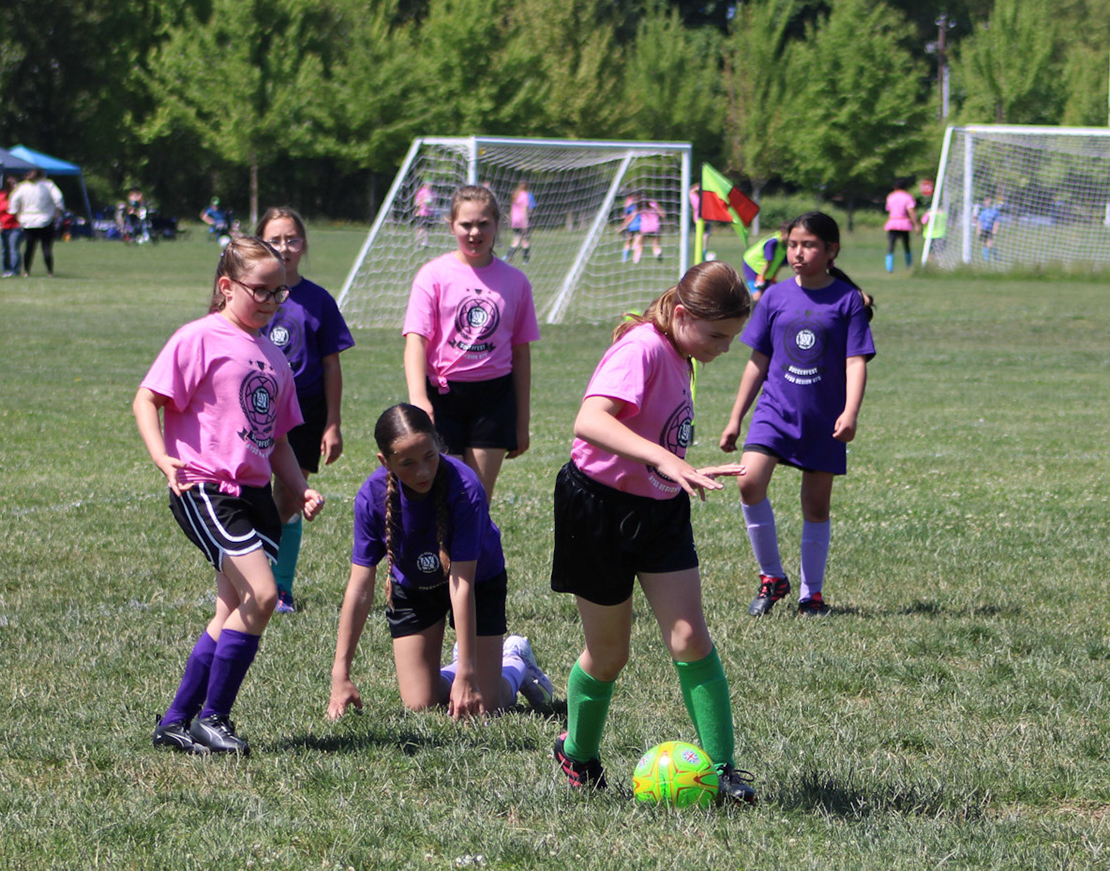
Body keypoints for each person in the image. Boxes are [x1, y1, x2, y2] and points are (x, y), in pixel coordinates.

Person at [548, 261, 756, 803]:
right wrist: (666, 459)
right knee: (609, 655)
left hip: (661, 511)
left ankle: (723, 770)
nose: (723, 349)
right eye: (716, 335)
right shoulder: (641, 347)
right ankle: (577, 752)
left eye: (731, 338)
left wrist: (679, 467)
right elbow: (590, 421)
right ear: (681, 315)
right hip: (597, 510)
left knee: (690, 637)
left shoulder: (682, 351)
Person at [133, 237, 322, 756]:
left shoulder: (274, 357)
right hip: (207, 487)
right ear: (226, 286)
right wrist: (162, 456)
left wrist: (300, 488)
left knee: (231, 610)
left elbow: (278, 440)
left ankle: (175, 722)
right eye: (259, 290)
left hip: (256, 496)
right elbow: (147, 399)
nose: (270, 301)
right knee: (263, 596)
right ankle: (213, 718)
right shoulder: (199, 337)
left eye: (278, 292)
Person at [327, 405, 553, 721]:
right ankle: (462, 663)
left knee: (485, 706)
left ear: (439, 445)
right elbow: (360, 588)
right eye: (407, 463)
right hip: (415, 587)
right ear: (385, 461)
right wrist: (341, 673)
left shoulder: (465, 487)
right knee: (420, 704)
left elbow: (462, 584)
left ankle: (515, 662)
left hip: (476, 582)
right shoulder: (371, 497)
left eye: (429, 457)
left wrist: (468, 673)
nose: (422, 472)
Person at [719, 212, 875, 616]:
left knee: (816, 506)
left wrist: (850, 412)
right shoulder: (773, 297)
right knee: (748, 482)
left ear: (831, 250)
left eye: (808, 245)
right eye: (792, 245)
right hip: (774, 411)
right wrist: (736, 418)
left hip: (824, 417)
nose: (797, 253)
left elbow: (856, 361)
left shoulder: (848, 301)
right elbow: (757, 361)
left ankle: (812, 594)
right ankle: (772, 577)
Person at [403, 185, 538, 502]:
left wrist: (521, 421)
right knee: (442, 497)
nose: (475, 232)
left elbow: (521, 353)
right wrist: (419, 398)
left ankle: (472, 539)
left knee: (475, 500)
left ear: (497, 225)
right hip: (442, 398)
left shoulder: (516, 281)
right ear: (452, 226)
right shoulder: (432, 275)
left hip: (494, 400)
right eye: (466, 224)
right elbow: (416, 341)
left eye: (483, 224)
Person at [257, 207, 356, 613]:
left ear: (304, 244)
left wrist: (333, 423)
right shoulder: (250, 296)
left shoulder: (319, 300)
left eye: (292, 239)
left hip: (304, 412)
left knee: (289, 496)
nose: (284, 247)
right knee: (249, 495)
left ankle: (280, 587)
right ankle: (249, 579)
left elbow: (332, 364)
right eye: (274, 240)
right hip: (254, 408)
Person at [9, 168, 64, 277]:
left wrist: (15, 213)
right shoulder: (49, 185)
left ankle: (26, 271)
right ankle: (49, 272)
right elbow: (59, 198)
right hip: (46, 220)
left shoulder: (22, 186)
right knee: (46, 248)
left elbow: (13, 200)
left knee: (29, 248)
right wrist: (58, 211)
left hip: (28, 221)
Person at [884, 178, 917, 272]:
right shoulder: (908, 197)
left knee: (891, 245)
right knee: (906, 245)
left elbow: (889, 209)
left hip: (893, 222)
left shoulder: (890, 196)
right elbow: (911, 211)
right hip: (904, 223)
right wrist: (916, 223)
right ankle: (909, 265)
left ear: (895, 187)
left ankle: (889, 267)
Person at [0, 178, 20, 278]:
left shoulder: (18, 196)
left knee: (13, 248)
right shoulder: (0, 196)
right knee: (4, 249)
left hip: (15, 226)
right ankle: (5, 269)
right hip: (3, 226)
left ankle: (15, 270)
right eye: (12, 184)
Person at [508, 180, 535, 264]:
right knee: (524, 240)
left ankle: (509, 256)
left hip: (514, 219)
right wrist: (525, 223)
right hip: (521, 220)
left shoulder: (515, 194)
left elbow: (512, 209)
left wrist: (511, 219)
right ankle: (525, 260)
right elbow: (524, 210)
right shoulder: (525, 195)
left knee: (516, 239)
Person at [977, 196, 1002, 263]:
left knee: (990, 244)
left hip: (990, 230)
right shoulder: (983, 212)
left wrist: (995, 230)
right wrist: (979, 231)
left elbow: (996, 222)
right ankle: (986, 259)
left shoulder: (994, 211)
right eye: (986, 201)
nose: (988, 202)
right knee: (983, 244)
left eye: (989, 201)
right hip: (984, 229)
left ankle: (995, 256)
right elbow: (979, 222)